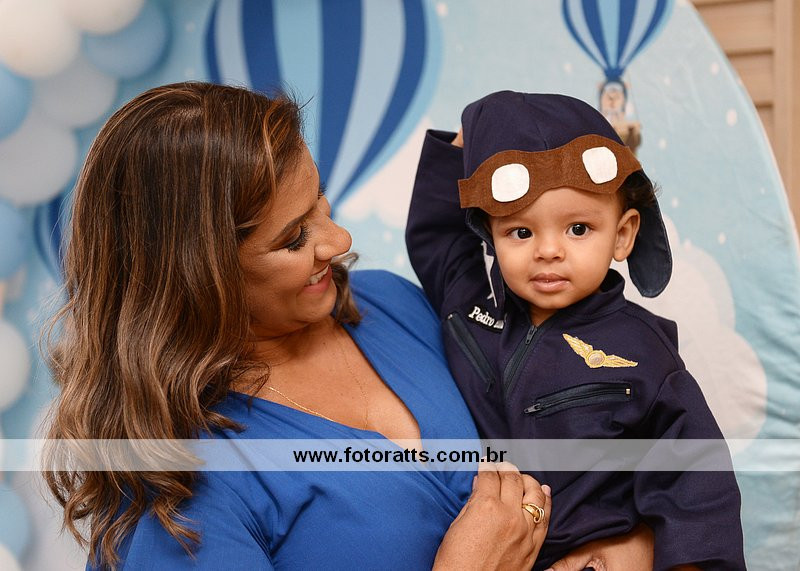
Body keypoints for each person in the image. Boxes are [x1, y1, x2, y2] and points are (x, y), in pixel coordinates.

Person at [42, 82, 652, 570]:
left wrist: (631, 542)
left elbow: (599, 418)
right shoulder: (174, 492)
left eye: (320, 200)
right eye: (293, 238)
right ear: (197, 278)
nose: (338, 240)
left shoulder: (396, 306)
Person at [406, 90, 746, 570]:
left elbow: (695, 478)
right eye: (521, 232)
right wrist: (454, 153)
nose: (548, 250)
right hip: (492, 551)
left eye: (578, 229)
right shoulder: (471, 308)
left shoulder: (641, 349)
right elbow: (436, 238)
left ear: (622, 234)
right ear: (489, 235)